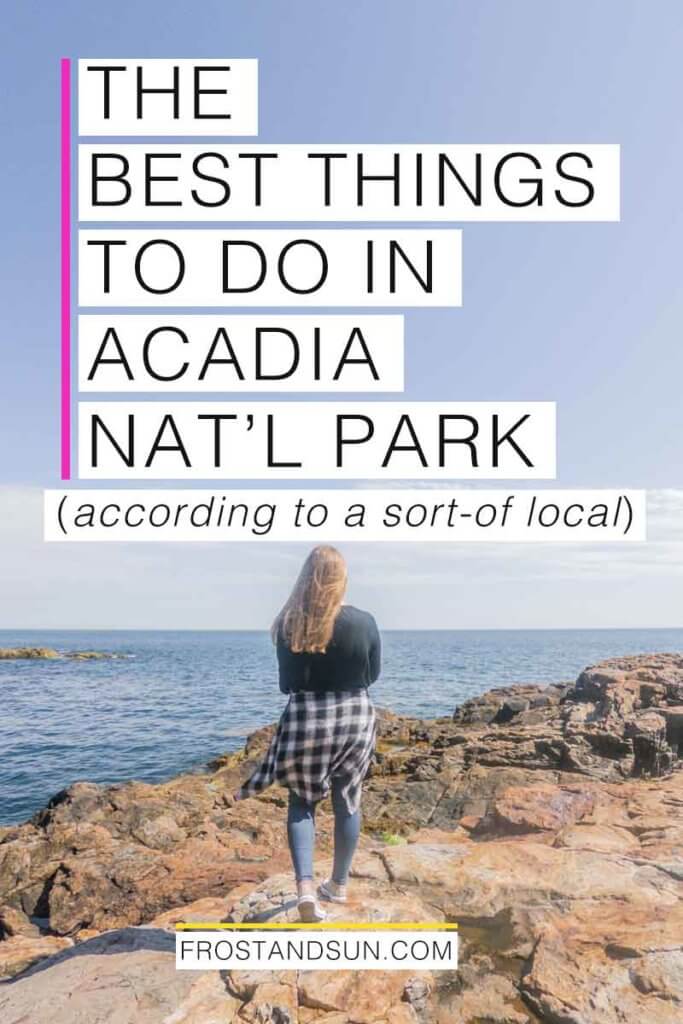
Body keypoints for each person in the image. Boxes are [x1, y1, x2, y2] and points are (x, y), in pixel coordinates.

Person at [236, 545, 381, 921]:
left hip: (307, 717)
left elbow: (286, 685)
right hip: (355, 716)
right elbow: (373, 675)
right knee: (348, 798)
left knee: (302, 802)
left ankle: (305, 889)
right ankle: (338, 884)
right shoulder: (364, 621)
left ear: (305, 578)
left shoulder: (289, 625)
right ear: (341, 579)